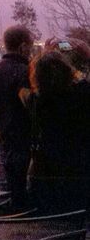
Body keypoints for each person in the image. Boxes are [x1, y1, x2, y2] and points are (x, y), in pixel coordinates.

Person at [26, 50, 90, 212]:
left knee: (53, 214)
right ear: (68, 70)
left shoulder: (36, 101)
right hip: (80, 165)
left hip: (48, 168)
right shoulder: (83, 93)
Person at [0, 24, 34, 209]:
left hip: (6, 144)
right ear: (23, 46)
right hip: (29, 144)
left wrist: (5, 123)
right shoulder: (27, 72)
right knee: (29, 192)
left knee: (14, 191)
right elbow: (33, 107)